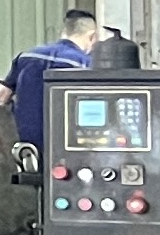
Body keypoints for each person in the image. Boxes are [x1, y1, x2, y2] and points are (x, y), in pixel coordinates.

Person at [9, 9, 102, 147]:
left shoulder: (27, 56)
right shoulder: (85, 64)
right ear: (92, 36)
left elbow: (1, 97)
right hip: (64, 144)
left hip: (25, 144)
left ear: (64, 32)